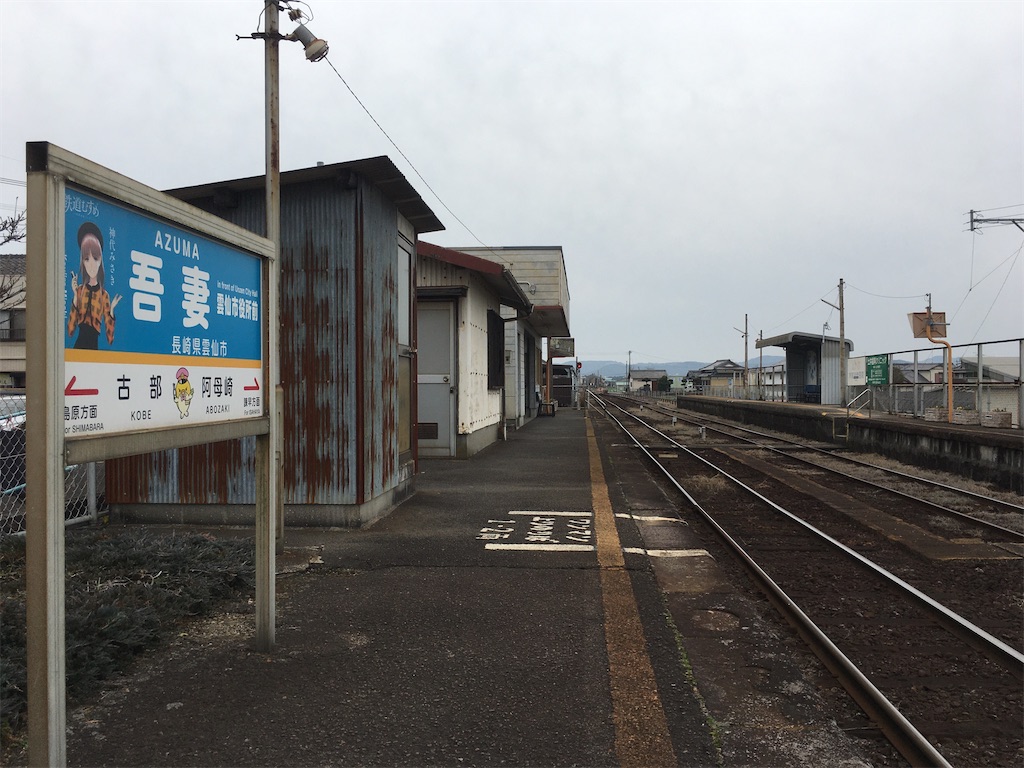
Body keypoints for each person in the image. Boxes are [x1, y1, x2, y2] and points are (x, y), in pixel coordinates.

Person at [67, 221, 121, 349]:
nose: (91, 264)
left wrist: (111, 311)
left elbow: (110, 338)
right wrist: (75, 297)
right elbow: (70, 331)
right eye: (86, 259)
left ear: (100, 260)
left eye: (95, 258)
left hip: (93, 344)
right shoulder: (80, 291)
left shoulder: (104, 295)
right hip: (79, 343)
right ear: (82, 262)